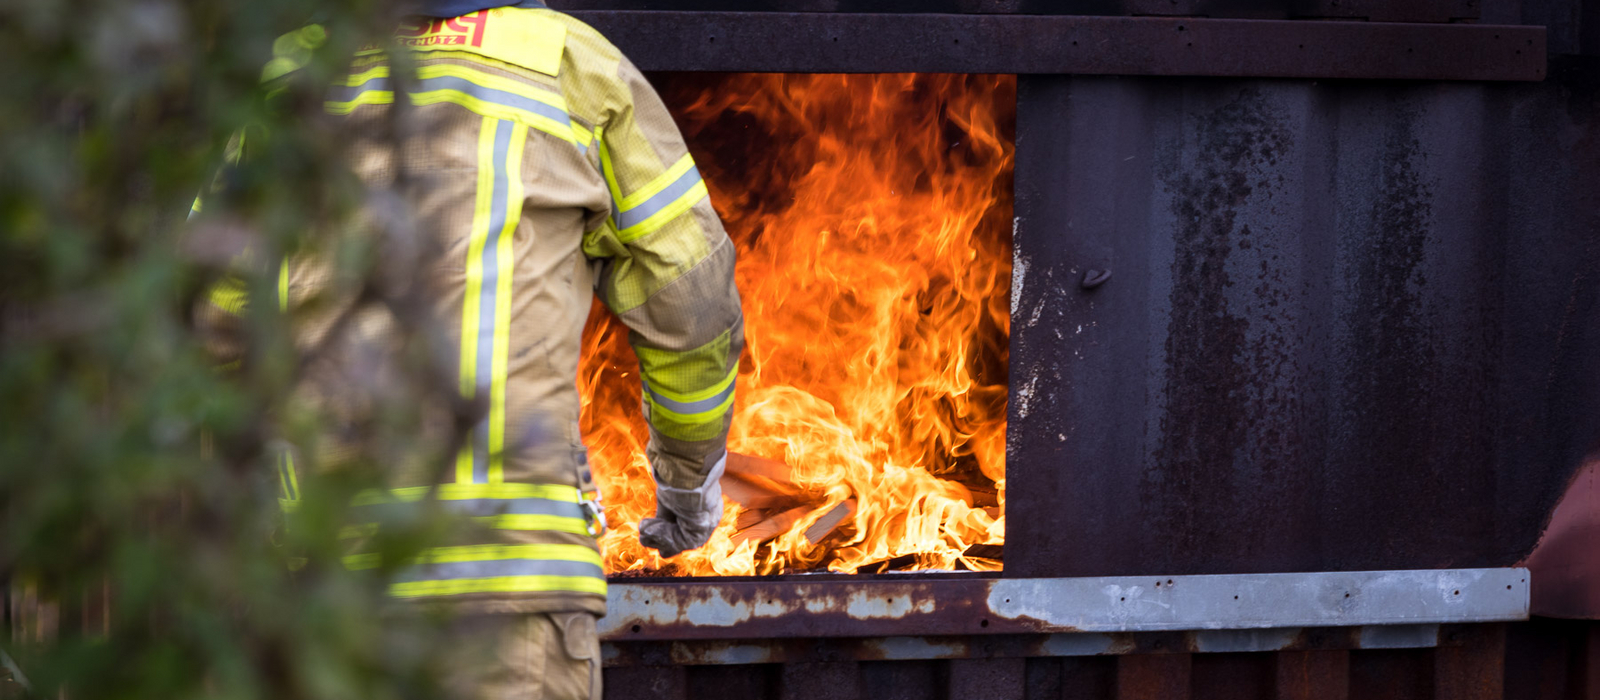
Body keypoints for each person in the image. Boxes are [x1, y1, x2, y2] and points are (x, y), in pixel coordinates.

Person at [199, 2, 743, 697]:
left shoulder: (288, 79)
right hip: (512, 602)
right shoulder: (571, 65)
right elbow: (693, 303)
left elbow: (209, 331)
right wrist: (688, 483)